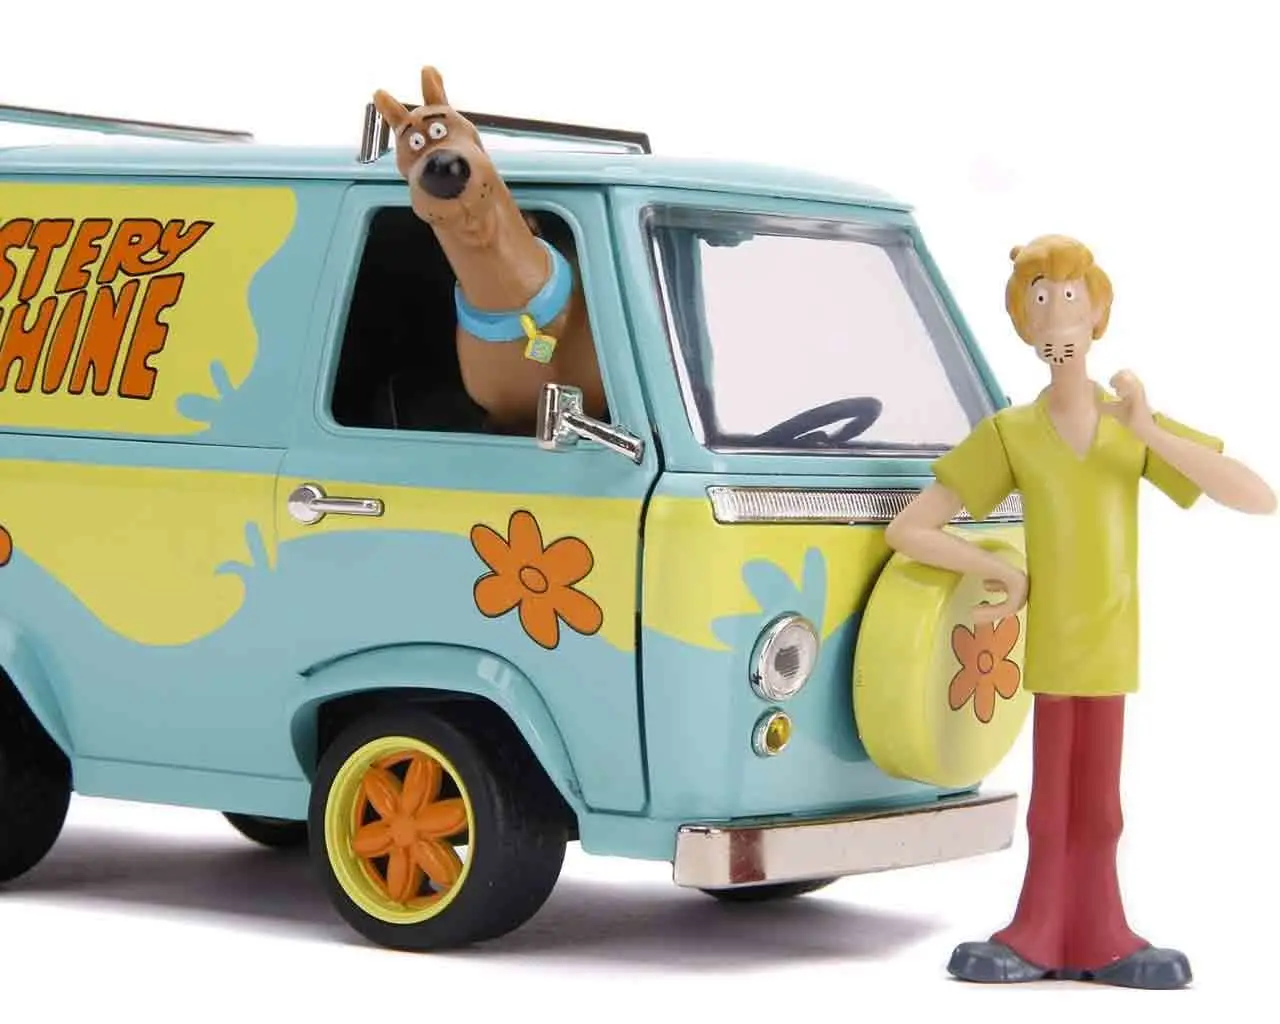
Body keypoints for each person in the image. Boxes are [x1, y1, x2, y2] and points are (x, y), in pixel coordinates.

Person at [884, 234, 1276, 989]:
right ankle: (1037, 929)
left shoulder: (1131, 424)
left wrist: (1151, 433)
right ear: (1023, 324)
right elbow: (911, 528)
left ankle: (1101, 933)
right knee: (1054, 804)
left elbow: (1257, 496)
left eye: (1069, 297)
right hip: (1053, 655)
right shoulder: (1011, 434)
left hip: (1111, 650)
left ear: (1098, 313)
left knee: (1099, 806)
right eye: (1040, 300)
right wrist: (999, 569)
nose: (1056, 314)